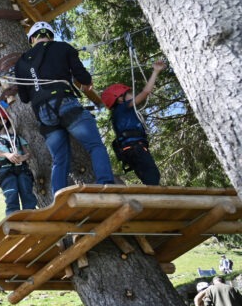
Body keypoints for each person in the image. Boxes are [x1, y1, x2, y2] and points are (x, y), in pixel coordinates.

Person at [15, 21, 115, 194]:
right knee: (95, 146)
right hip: (65, 102)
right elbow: (82, 77)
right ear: (51, 36)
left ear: (32, 38)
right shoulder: (63, 48)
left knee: (60, 159)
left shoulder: (21, 62)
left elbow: (24, 98)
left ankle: (59, 195)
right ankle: (106, 185)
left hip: (43, 113)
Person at [99, 58, 167, 186]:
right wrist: (156, 72)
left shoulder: (118, 113)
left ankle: (154, 200)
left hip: (131, 151)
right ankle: (156, 201)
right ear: (119, 99)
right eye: (128, 93)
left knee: (149, 177)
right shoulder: (123, 107)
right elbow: (146, 92)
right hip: (136, 148)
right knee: (152, 177)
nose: (132, 93)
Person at [0, 107, 37, 215]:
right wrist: (6, 154)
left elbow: (28, 153)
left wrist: (22, 158)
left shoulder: (16, 137)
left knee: (27, 193)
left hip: (22, 168)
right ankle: (13, 219)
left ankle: (31, 216)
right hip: (5, 170)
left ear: (3, 120)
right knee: (11, 194)